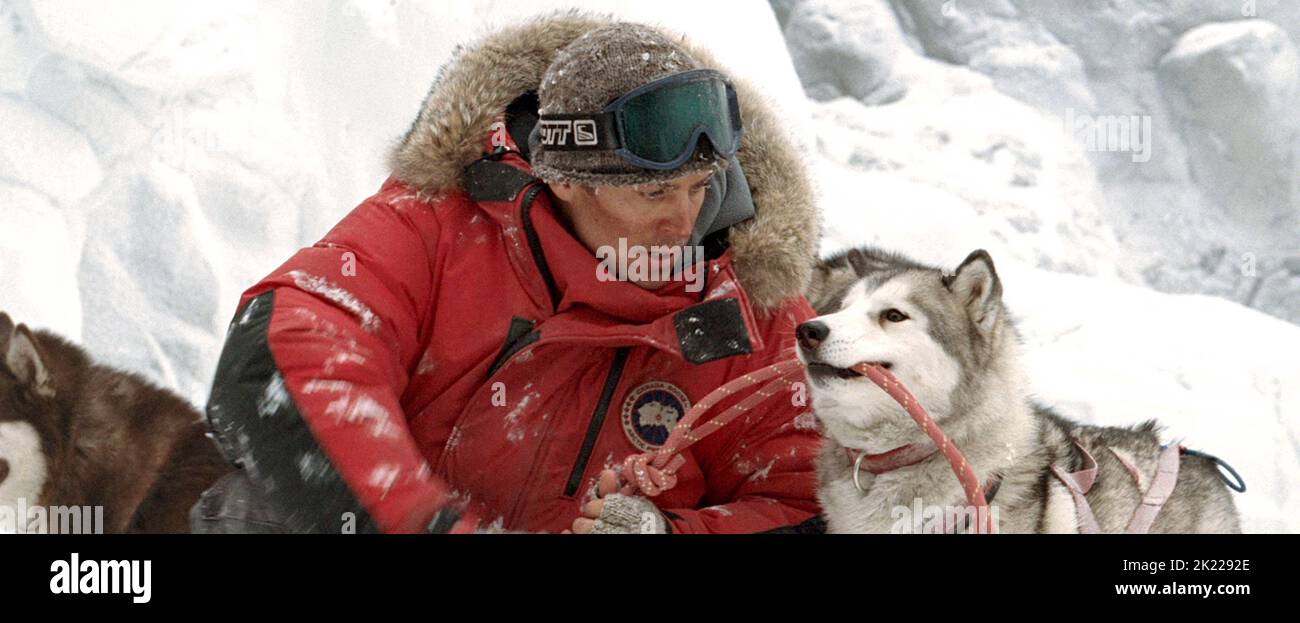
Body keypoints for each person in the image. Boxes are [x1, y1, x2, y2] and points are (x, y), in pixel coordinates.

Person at [197, 13, 823, 534]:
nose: (684, 223)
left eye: (699, 189)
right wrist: (425, 525)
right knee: (251, 509)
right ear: (566, 180)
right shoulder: (437, 225)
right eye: (654, 195)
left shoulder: (753, 315)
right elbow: (287, 347)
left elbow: (816, 503)